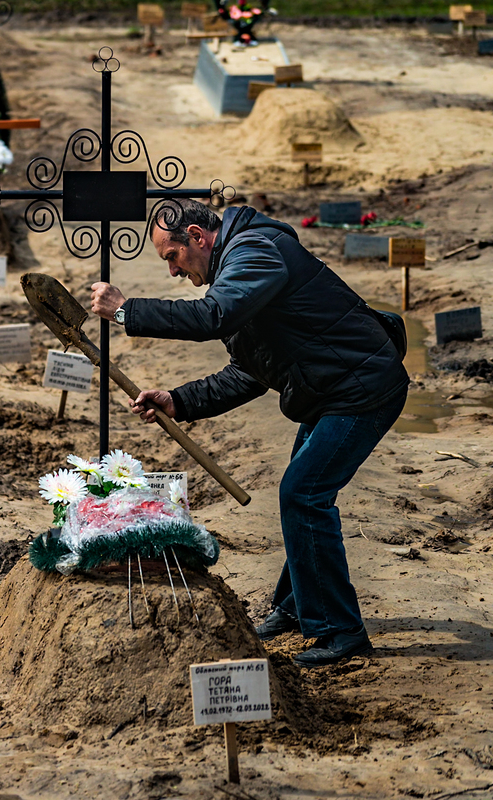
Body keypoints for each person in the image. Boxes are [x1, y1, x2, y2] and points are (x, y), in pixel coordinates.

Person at [89, 200, 409, 667]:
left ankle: (341, 634)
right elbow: (247, 372)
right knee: (303, 495)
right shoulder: (238, 269)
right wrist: (179, 400)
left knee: (304, 495)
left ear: (198, 237)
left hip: (362, 389)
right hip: (330, 391)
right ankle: (298, 607)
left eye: (172, 257)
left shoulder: (255, 251)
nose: (174, 273)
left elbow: (213, 318)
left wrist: (126, 312)